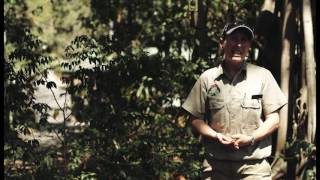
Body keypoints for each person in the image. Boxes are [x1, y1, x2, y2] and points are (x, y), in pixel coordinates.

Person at [182, 21, 287, 179]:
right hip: (215, 167)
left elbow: (274, 119)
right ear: (222, 43)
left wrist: (251, 139)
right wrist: (216, 135)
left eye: (244, 40)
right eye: (233, 39)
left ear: (249, 46)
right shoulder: (207, 78)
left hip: (254, 168)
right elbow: (195, 119)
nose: (238, 44)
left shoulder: (262, 76)